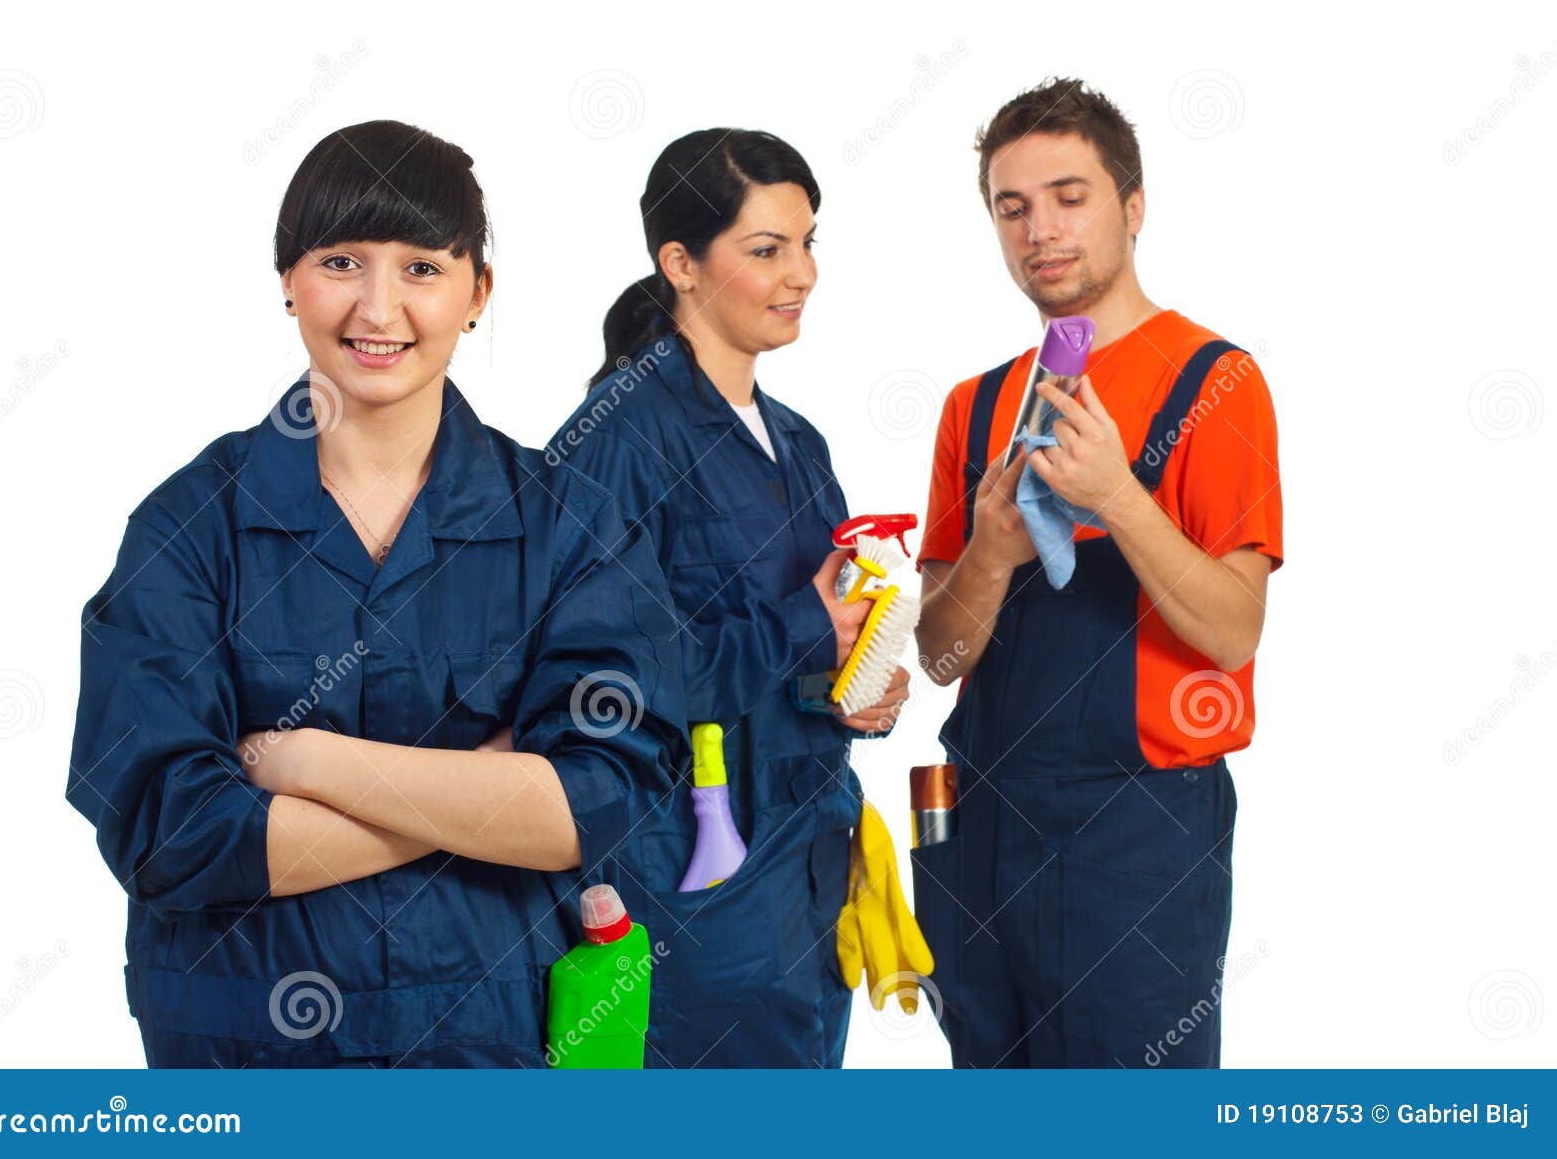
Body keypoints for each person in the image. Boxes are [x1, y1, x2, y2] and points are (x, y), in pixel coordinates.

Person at [66, 120, 684, 1068]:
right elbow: (169, 832)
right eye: (342, 260)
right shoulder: (190, 528)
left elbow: (593, 800)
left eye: (423, 268)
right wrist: (478, 797)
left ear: (479, 291)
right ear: (287, 279)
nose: (379, 306)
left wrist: (302, 758)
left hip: (492, 1053)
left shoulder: (570, 525)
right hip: (243, 1060)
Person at [914, 78, 1283, 1068]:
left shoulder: (1218, 385)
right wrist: (990, 551)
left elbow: (1232, 631)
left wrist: (1118, 496)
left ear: (1132, 207)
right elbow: (941, 657)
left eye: (1068, 196)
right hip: (981, 825)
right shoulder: (976, 407)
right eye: (1011, 206)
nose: (1039, 229)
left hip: (1136, 843)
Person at [548, 128, 913, 1067]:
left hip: (810, 870)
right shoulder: (616, 440)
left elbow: (814, 659)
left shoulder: (799, 442)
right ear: (680, 262)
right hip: (691, 890)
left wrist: (861, 689)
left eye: (808, 242)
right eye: (766, 250)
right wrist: (804, 626)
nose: (802, 274)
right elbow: (603, 688)